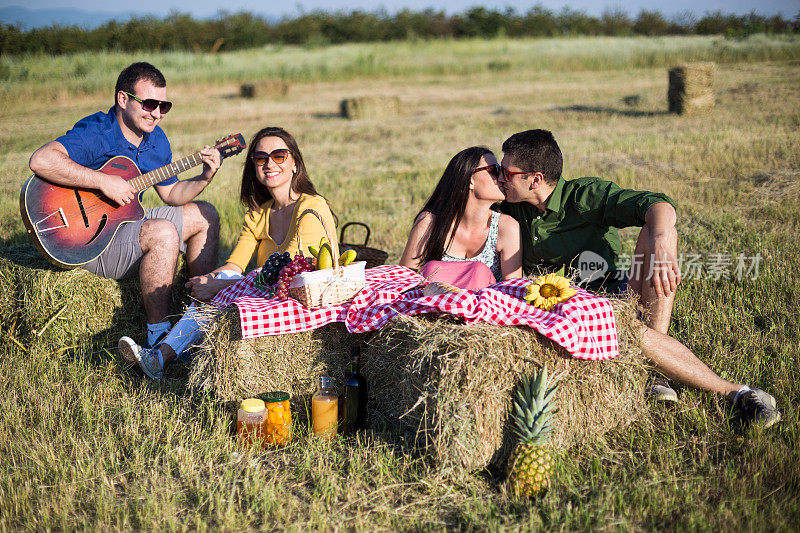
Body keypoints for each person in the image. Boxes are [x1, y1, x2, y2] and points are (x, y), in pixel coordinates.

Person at [497, 129, 780, 427]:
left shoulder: (585, 196)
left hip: (615, 294)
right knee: (633, 331)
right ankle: (727, 388)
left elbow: (658, 204)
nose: (500, 178)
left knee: (662, 231)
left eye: (506, 172)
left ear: (536, 179)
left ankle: (675, 372)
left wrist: (660, 243)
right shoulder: (509, 206)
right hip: (569, 309)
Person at [28, 62, 222, 350]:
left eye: (164, 106)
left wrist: (205, 177)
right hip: (87, 240)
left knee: (206, 214)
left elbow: (171, 194)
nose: (157, 114)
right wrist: (102, 182)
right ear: (123, 99)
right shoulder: (98, 131)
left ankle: (197, 317)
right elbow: (41, 160)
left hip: (126, 223)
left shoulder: (156, 139)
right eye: (150, 104)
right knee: (164, 232)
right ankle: (160, 337)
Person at [118, 126, 337, 379]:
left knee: (222, 286)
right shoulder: (258, 213)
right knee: (220, 280)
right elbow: (234, 265)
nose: (269, 164)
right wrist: (209, 280)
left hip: (304, 297)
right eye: (260, 158)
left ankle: (162, 355)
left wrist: (221, 287)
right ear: (254, 167)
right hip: (270, 294)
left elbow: (288, 271)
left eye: (279, 156)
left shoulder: (311, 205)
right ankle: (167, 354)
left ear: (295, 163)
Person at [400, 146, 522, 281]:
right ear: (470, 179)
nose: (502, 178)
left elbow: (511, 289)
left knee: (479, 272)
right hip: (437, 301)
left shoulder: (506, 227)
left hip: (484, 302)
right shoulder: (429, 223)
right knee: (432, 269)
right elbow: (405, 281)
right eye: (494, 171)